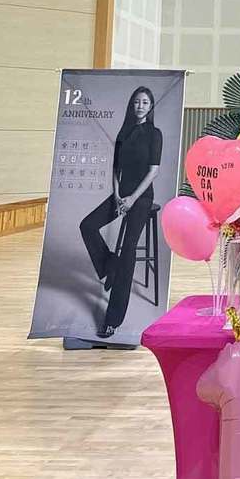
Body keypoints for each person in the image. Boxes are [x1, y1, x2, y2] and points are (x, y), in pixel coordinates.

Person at [80, 86, 162, 338]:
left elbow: (154, 171)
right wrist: (117, 195)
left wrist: (132, 198)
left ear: (150, 106)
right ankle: (109, 266)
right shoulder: (123, 132)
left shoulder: (155, 134)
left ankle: (112, 319)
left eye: (145, 102)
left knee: (128, 251)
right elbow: (116, 169)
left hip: (141, 197)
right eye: (137, 102)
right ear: (131, 105)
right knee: (87, 225)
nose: (140, 106)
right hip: (120, 195)